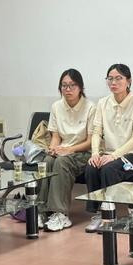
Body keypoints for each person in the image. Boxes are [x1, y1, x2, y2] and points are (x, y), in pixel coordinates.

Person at [84, 64, 133, 232]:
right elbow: (96, 132)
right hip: (109, 153)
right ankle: (99, 213)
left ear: (129, 81)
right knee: (92, 167)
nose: (113, 82)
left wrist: (114, 156)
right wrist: (95, 153)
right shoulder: (102, 103)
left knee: (109, 169)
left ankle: (110, 216)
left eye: (119, 78)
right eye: (110, 78)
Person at [37, 69, 95, 232]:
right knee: (47, 161)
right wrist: (53, 148)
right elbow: (56, 136)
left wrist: (69, 149)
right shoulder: (56, 106)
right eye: (64, 86)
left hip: (83, 152)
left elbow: (90, 141)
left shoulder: (91, 107)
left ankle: (60, 214)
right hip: (64, 150)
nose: (68, 89)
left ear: (80, 87)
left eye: (72, 85)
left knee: (62, 162)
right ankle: (42, 211)